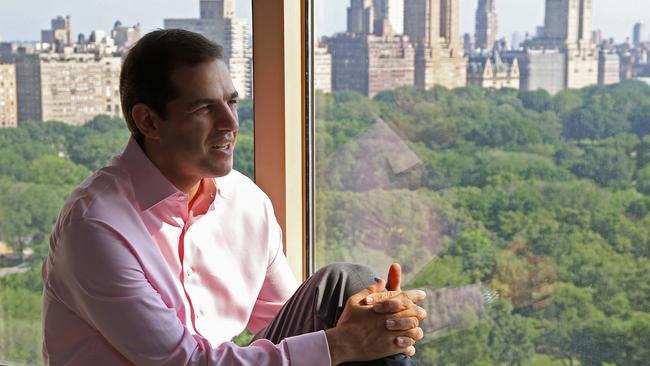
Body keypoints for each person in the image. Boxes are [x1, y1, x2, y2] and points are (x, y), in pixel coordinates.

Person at [41, 29, 426, 365]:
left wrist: (375, 322)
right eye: (205, 107)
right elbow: (184, 363)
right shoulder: (96, 226)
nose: (230, 123)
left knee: (349, 286)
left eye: (232, 102)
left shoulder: (246, 202)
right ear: (149, 122)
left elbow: (293, 320)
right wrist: (341, 344)